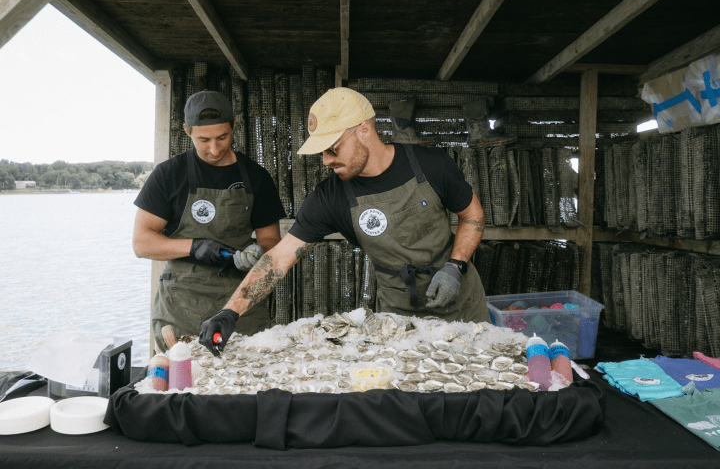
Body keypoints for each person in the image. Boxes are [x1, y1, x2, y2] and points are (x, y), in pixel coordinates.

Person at [198, 87, 488, 355]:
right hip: (398, 315)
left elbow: (471, 215)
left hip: (462, 301)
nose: (325, 160)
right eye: (321, 151)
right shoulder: (330, 197)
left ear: (363, 130)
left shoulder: (432, 164)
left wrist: (455, 265)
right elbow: (278, 259)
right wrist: (230, 312)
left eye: (332, 148)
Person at [133, 89, 286, 352]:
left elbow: (271, 241)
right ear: (187, 130)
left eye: (222, 137)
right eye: (203, 139)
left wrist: (258, 252)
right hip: (183, 302)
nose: (214, 149)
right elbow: (142, 243)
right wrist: (193, 246)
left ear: (234, 125)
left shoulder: (256, 177)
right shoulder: (168, 175)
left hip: (240, 300)